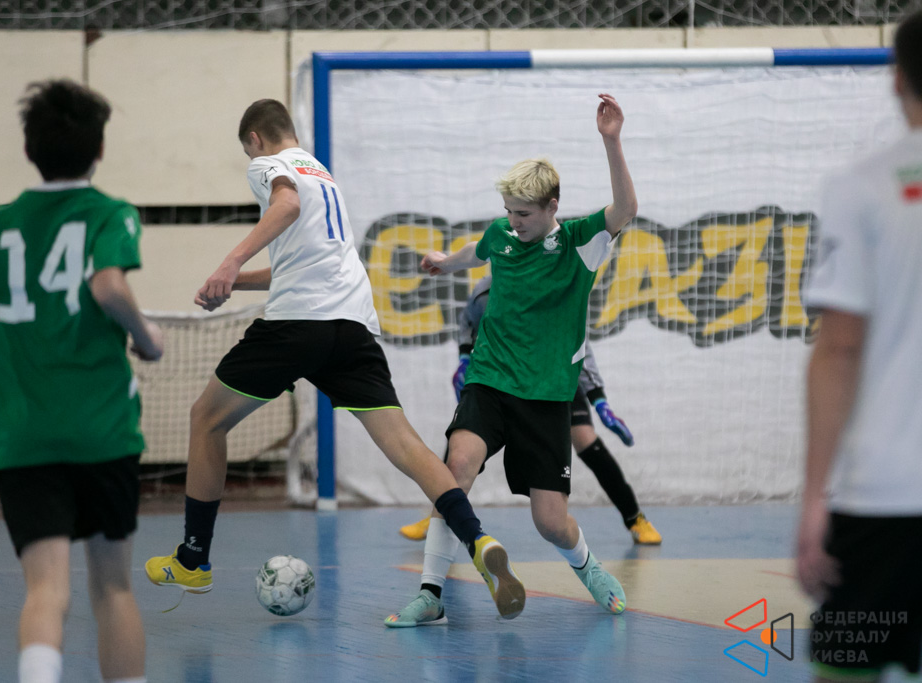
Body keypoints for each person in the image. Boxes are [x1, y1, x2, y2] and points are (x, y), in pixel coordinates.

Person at [144, 99, 525, 621]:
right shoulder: (323, 176)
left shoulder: (268, 165)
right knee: (406, 445)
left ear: (254, 139)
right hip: (352, 325)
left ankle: (192, 559)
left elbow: (284, 207)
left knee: (206, 420)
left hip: (298, 323)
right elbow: (302, 262)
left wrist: (230, 261)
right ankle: (478, 540)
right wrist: (234, 282)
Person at [0, 80, 161, 683]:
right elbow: (108, 285)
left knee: (45, 590)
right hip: (102, 431)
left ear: (28, 149)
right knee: (113, 588)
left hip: (22, 435)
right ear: (100, 148)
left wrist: (13, 329)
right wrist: (146, 336)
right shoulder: (109, 213)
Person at [385, 93, 637, 627]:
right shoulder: (502, 234)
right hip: (490, 380)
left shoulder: (580, 243)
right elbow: (476, 251)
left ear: (552, 208)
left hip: (546, 395)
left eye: (524, 214)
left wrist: (612, 141)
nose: (513, 221)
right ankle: (431, 593)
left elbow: (625, 210)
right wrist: (444, 263)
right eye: (509, 211)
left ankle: (588, 567)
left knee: (551, 522)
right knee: (454, 470)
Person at [796, 13, 922, 683]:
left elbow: (839, 350)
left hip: (884, 496)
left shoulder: (864, 185)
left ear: (896, 78)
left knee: (846, 667)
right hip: (884, 490)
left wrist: (814, 496)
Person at [398, 276, 662, 545]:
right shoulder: (486, 291)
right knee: (466, 433)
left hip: (555, 380)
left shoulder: (555, 286)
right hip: (505, 379)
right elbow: (468, 320)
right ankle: (441, 513)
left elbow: (578, 344)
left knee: (585, 439)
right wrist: (465, 358)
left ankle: (635, 517)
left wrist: (598, 398)